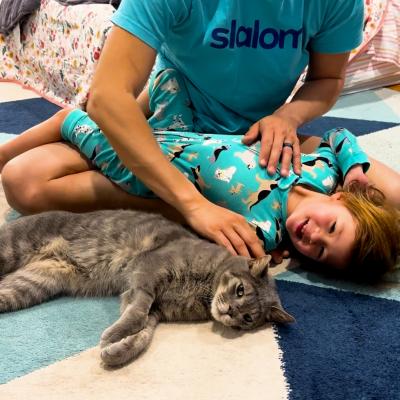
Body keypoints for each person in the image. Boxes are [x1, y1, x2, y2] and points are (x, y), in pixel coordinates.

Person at [1, 0, 398, 260]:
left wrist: (288, 117)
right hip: (174, 115)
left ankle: (195, 212)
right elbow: (107, 97)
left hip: (257, 137)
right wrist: (193, 206)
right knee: (24, 181)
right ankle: (188, 207)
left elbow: (327, 79)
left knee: (390, 200)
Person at [1, 67, 399, 281]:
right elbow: (339, 136)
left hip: (145, 170)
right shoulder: (325, 173)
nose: (313, 237)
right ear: (342, 199)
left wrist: (257, 259)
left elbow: (229, 253)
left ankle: (33, 138)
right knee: (168, 78)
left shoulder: (264, 229)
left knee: (75, 122)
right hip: (190, 133)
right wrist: (354, 167)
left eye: (322, 253)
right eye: (332, 229)